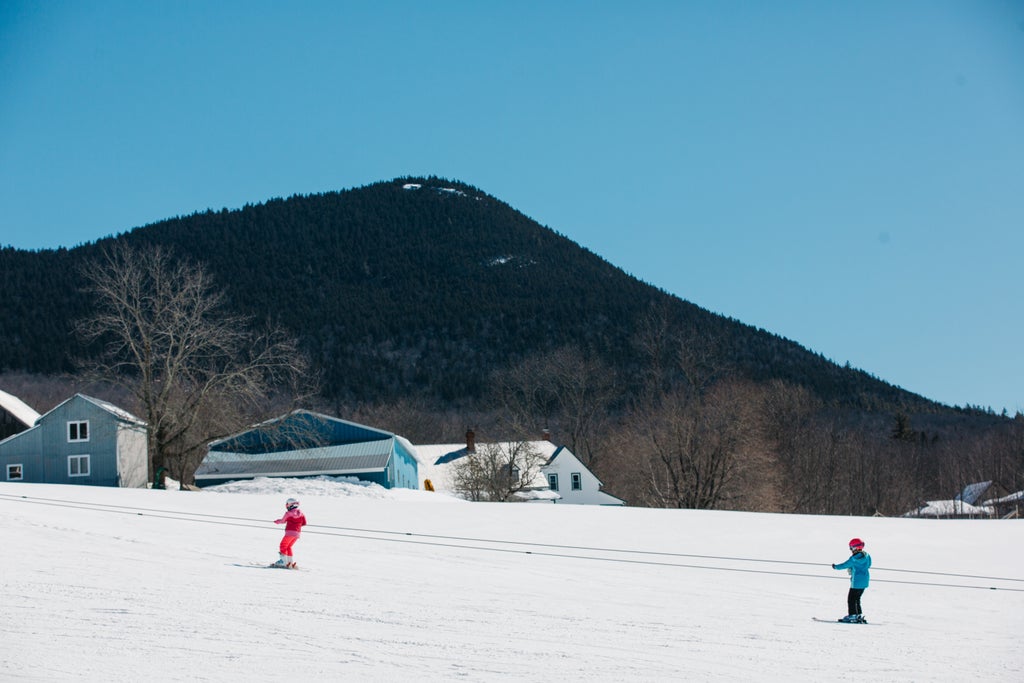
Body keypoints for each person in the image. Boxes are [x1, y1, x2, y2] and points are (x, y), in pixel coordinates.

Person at [832, 537, 871, 623]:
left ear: (856, 547)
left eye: (851, 547)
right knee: (857, 598)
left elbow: (844, 565)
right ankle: (858, 614)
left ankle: (853, 615)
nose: (851, 550)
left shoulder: (854, 559)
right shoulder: (867, 556)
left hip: (856, 581)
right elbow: (869, 565)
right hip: (864, 580)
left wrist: (835, 567)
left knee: (851, 599)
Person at [272, 498, 307, 569]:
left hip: (289, 533)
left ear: (291, 505)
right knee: (288, 547)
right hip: (297, 534)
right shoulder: (302, 514)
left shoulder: (288, 513)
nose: (287, 506)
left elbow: (282, 521)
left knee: (283, 545)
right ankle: (290, 562)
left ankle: (283, 562)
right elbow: (304, 523)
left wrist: (277, 521)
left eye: (287, 504)